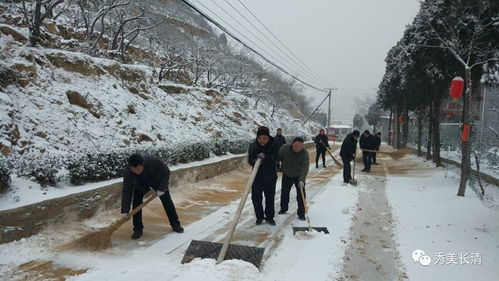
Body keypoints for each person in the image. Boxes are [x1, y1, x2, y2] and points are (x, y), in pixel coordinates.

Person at [121, 154, 183, 240]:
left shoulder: (152, 161)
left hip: (157, 180)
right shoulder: (128, 173)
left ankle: (175, 224)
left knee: (167, 200)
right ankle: (138, 229)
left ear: (143, 164)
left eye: (138, 169)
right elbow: (127, 191)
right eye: (134, 170)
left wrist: (162, 188)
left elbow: (166, 171)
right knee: (136, 202)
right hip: (140, 184)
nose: (136, 172)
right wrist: (125, 210)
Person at [248, 126, 279, 225]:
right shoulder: (253, 146)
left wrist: (266, 157)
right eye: (260, 138)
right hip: (256, 177)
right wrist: (255, 161)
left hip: (270, 177)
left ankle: (270, 217)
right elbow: (250, 160)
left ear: (268, 137)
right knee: (256, 199)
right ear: (257, 138)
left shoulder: (274, 145)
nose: (262, 140)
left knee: (269, 198)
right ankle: (259, 217)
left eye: (264, 138)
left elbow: (275, 157)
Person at [278, 137, 309, 220]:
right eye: (296, 146)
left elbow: (305, 168)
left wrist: (302, 180)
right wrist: (277, 167)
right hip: (287, 173)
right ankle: (283, 208)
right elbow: (277, 158)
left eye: (300, 147)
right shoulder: (284, 148)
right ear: (292, 144)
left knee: (301, 195)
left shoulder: (304, 154)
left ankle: (301, 213)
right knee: (284, 192)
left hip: (298, 176)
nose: (297, 149)